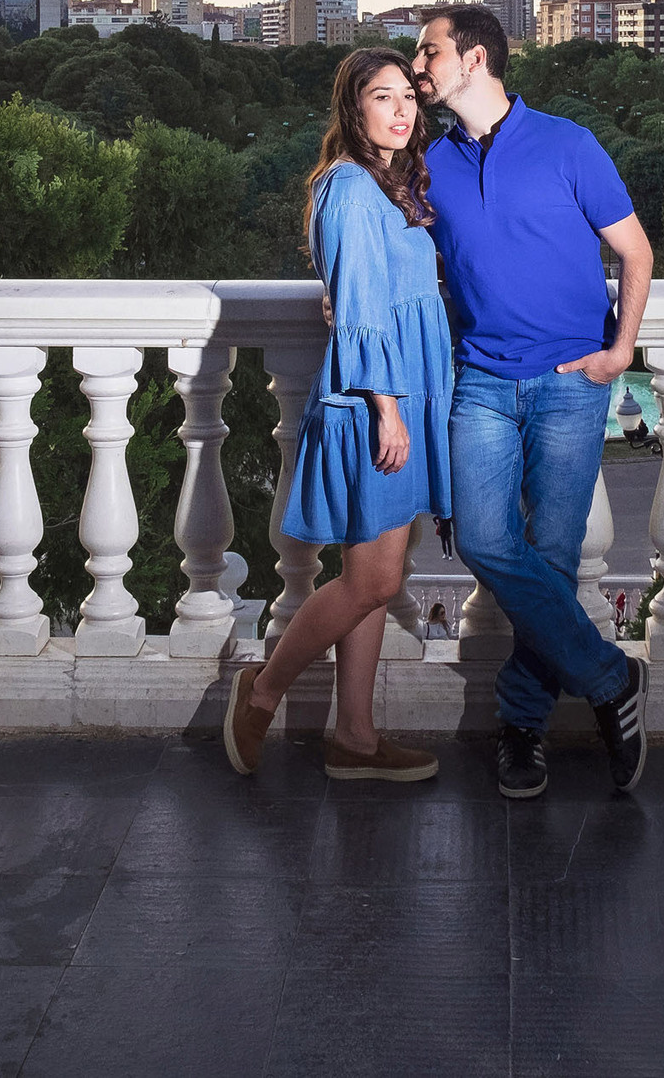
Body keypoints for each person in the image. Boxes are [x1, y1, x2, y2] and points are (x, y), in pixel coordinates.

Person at [412, 3, 653, 798]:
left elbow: (634, 249)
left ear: (474, 58)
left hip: (570, 383)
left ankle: (522, 725)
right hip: (479, 378)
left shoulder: (567, 144)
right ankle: (614, 679)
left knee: (549, 558)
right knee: (485, 542)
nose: (420, 67)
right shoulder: (428, 163)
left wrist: (620, 350)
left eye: (429, 52)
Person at [223, 49, 447, 784]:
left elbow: (367, 287)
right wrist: (388, 408)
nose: (402, 110)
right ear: (353, 110)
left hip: (398, 392)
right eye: (383, 98)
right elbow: (357, 308)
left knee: (375, 570)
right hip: (374, 402)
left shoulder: (388, 184)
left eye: (407, 97)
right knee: (373, 582)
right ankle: (263, 688)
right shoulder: (352, 187)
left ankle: (353, 734)